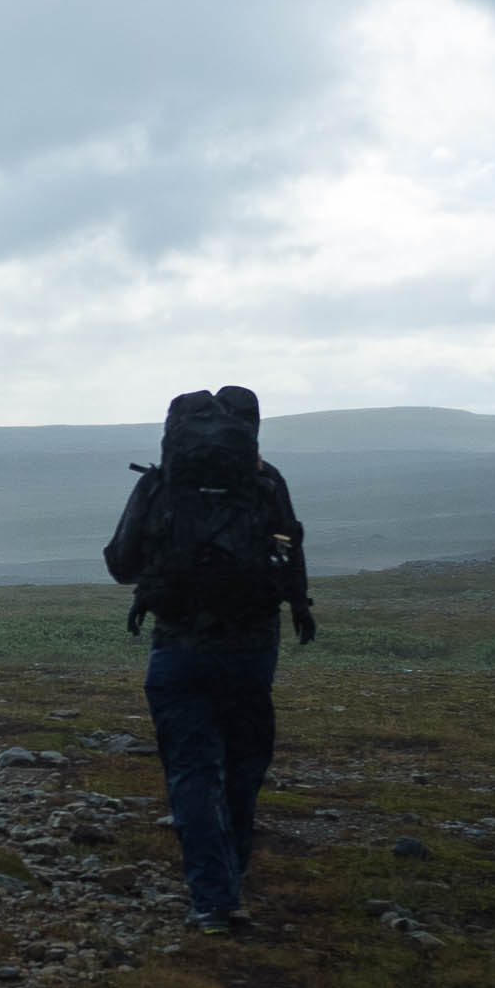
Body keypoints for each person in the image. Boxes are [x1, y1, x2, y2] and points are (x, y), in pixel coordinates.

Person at [102, 385, 316, 935]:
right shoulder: (267, 483)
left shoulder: (159, 485)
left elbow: (121, 564)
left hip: (178, 649)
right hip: (251, 652)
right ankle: (231, 881)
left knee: (193, 773)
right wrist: (295, 605)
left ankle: (213, 901)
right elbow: (290, 551)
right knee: (242, 773)